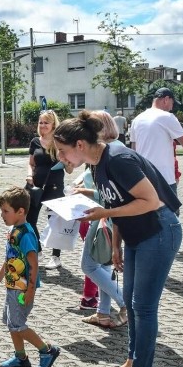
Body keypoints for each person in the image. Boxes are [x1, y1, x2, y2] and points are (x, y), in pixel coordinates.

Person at [53, 111, 182, 367]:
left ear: (80, 145)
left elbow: (150, 201)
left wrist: (106, 213)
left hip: (159, 232)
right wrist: (115, 245)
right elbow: (118, 201)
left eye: (63, 151)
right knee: (133, 306)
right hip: (136, 234)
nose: (61, 158)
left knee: (144, 307)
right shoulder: (97, 165)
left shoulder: (119, 160)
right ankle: (130, 363)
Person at [0, 186, 60, 367]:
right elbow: (11, 256)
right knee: (11, 323)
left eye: (6, 211)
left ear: (20, 211)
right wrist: (0, 274)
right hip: (13, 285)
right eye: (2, 211)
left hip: (22, 290)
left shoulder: (26, 234)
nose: (2, 215)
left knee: (18, 325)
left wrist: (30, 291)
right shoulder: (15, 230)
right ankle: (21, 358)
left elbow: (34, 264)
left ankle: (47, 350)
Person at [72, 110, 128, 328]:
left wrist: (85, 192)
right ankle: (103, 313)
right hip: (103, 216)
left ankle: (125, 303)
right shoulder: (108, 150)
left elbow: (110, 195)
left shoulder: (112, 152)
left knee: (89, 265)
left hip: (105, 217)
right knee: (103, 268)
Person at [131, 87, 183, 195]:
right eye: (172, 103)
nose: (172, 108)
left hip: (143, 178)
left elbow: (134, 150)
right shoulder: (167, 117)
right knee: (171, 211)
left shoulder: (137, 120)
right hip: (164, 179)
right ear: (166, 99)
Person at [27, 109, 71, 270]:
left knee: (55, 222)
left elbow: (70, 169)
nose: (43, 125)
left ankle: (56, 256)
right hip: (36, 185)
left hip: (54, 185)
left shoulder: (59, 142)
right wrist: (29, 175)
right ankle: (37, 250)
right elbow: (31, 163)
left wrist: (66, 161)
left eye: (46, 122)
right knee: (29, 219)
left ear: (53, 125)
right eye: (41, 122)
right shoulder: (35, 141)